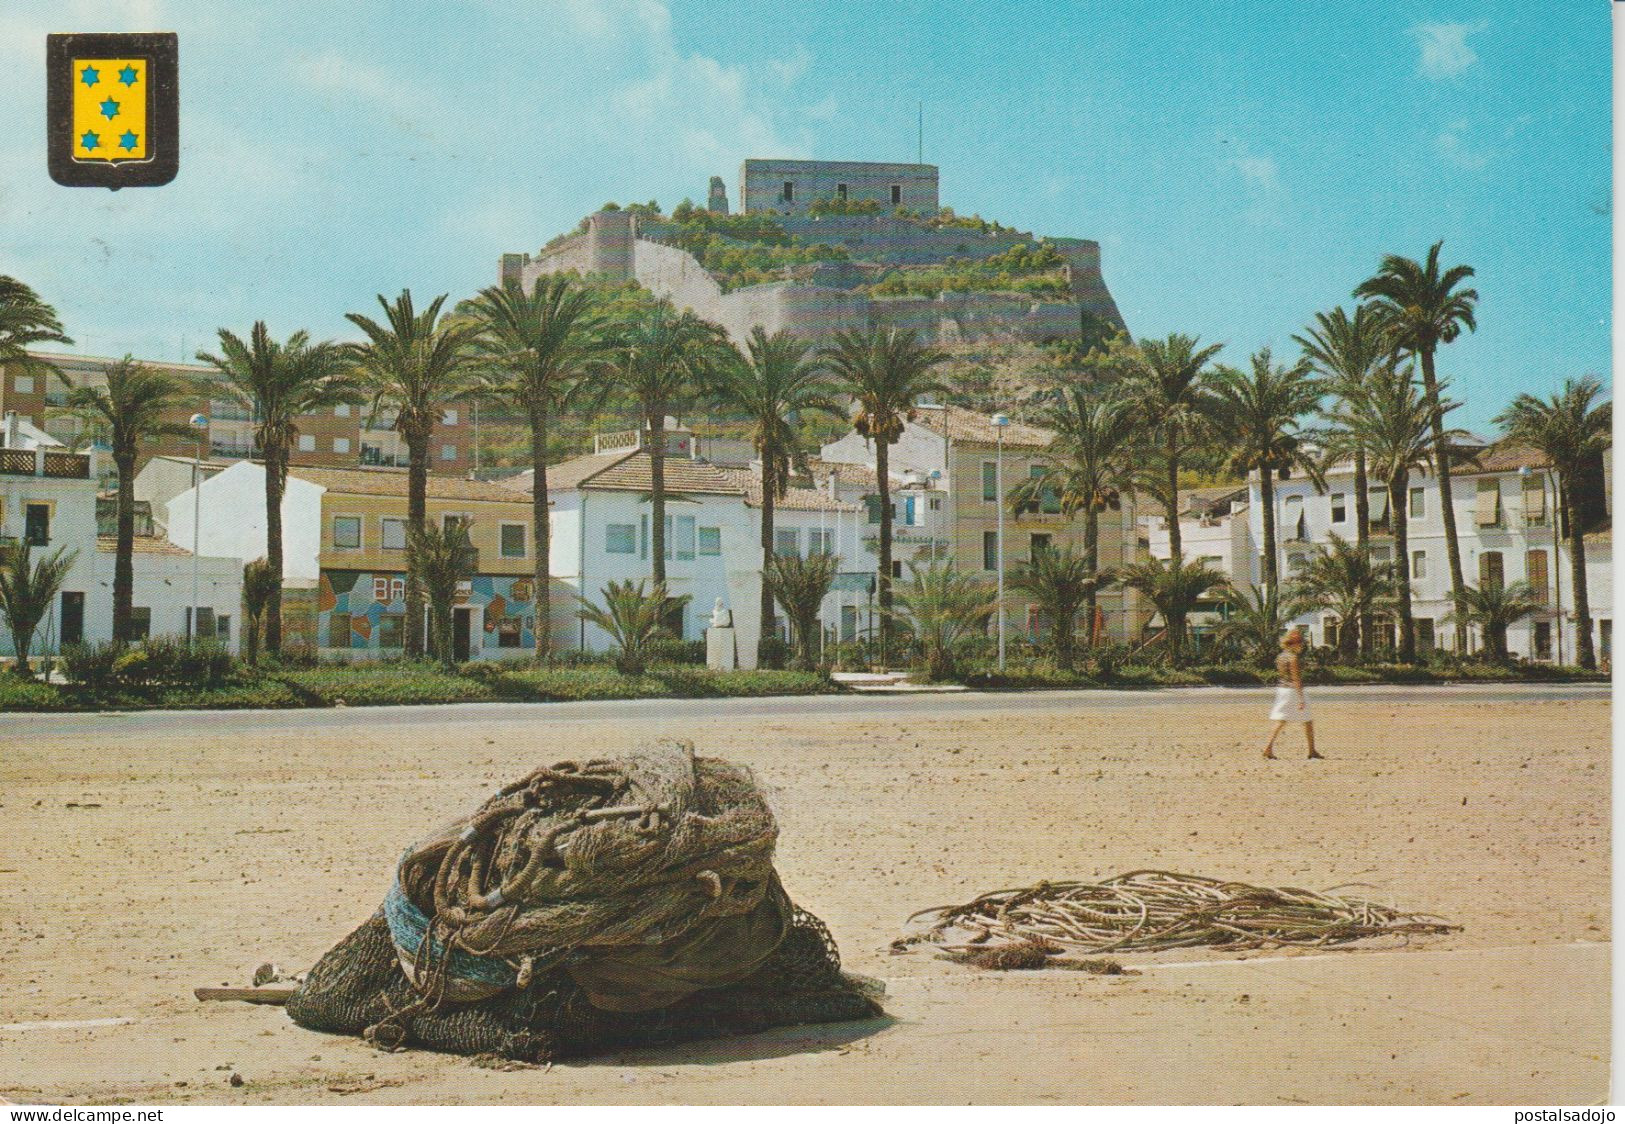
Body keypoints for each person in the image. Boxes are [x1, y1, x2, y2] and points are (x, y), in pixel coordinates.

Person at [1263, 627, 1321, 760]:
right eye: (1300, 642)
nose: (1302, 645)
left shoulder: (1281, 656)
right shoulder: (1293, 658)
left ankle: (1268, 748)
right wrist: (1301, 698)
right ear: (1294, 643)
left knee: (1281, 721)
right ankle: (1312, 751)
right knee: (1307, 721)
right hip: (1292, 691)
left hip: (1282, 690)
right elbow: (1296, 678)